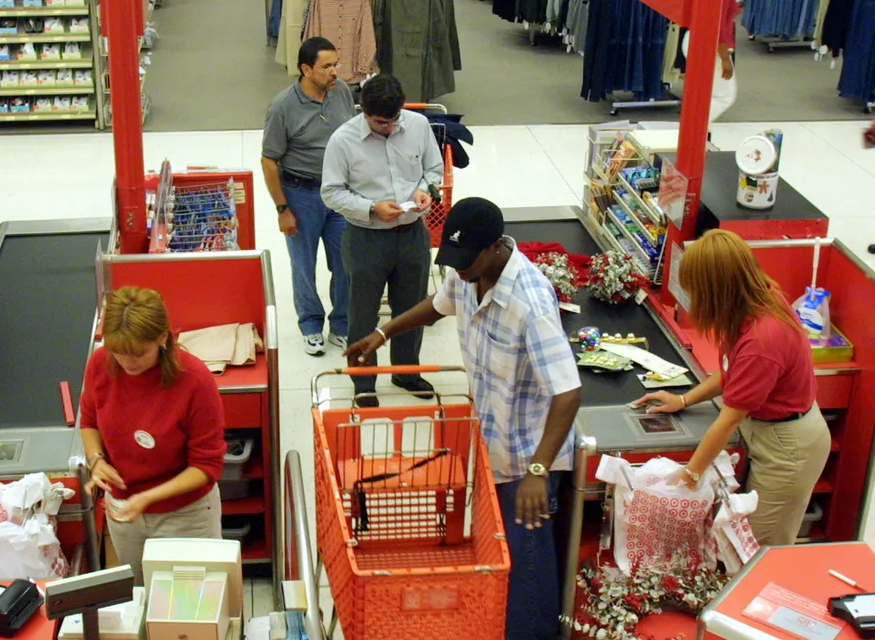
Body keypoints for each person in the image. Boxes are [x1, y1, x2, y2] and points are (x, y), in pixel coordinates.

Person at [345, 198, 581, 640]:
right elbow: (437, 305)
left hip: (528, 460)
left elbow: (568, 392)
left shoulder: (529, 303)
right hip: (494, 442)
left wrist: (537, 470)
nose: (458, 270)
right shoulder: (468, 272)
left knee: (528, 571)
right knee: (505, 557)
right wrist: (383, 333)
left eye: (465, 261)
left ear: (494, 248)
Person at [634, 229, 829, 546]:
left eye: (696, 292)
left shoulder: (763, 340)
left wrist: (689, 477)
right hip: (768, 429)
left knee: (757, 550)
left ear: (717, 290)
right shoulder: (754, 300)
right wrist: (683, 399)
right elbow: (732, 372)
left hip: (787, 448)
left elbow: (728, 419)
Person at [79, 286, 227, 583]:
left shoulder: (195, 380)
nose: (126, 363)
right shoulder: (100, 363)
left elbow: (206, 466)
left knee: (189, 605)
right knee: (140, 593)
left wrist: (148, 498)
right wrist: (96, 461)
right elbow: (89, 421)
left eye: (138, 354)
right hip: (123, 510)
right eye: (117, 352)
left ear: (163, 338)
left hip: (185, 515)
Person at [321, 73, 443, 406]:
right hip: (365, 238)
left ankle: (406, 372)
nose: (389, 127)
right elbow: (331, 192)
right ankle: (362, 382)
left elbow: (434, 169)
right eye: (380, 122)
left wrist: (425, 190)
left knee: (412, 310)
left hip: (412, 236)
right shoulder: (342, 141)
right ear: (364, 112)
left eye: (394, 120)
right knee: (363, 313)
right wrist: (371, 207)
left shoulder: (417, 126)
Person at [261, 37, 355, 356]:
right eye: (327, 66)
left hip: (339, 193)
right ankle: (311, 325)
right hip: (301, 194)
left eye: (336, 64)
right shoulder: (283, 107)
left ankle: (341, 325)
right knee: (304, 264)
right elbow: (269, 160)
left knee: (345, 262)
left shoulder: (341, 92)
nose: (334, 72)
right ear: (305, 69)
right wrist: (282, 209)